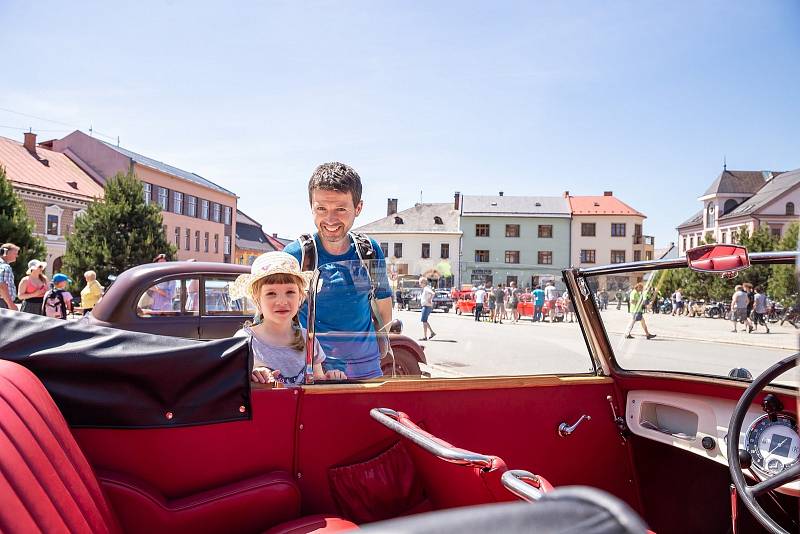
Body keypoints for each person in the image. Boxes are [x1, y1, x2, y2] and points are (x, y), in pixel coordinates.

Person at [283, 162, 392, 379]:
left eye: (340, 209)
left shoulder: (369, 251)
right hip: (314, 373)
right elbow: (269, 318)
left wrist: (375, 353)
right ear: (311, 206)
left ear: (358, 208)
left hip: (367, 372)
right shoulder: (297, 256)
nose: (330, 219)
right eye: (321, 208)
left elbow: (383, 304)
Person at [232, 251, 346, 385]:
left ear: (300, 296)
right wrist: (253, 375)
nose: (281, 301)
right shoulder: (244, 340)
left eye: (290, 292)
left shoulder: (308, 339)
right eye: (271, 293)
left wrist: (331, 378)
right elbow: (233, 384)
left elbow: (317, 384)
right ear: (257, 300)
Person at [0, 243, 20, 310]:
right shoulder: (5, 267)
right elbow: (2, 286)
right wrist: (11, 304)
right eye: (15, 253)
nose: (17, 256)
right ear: (5, 252)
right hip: (3, 302)